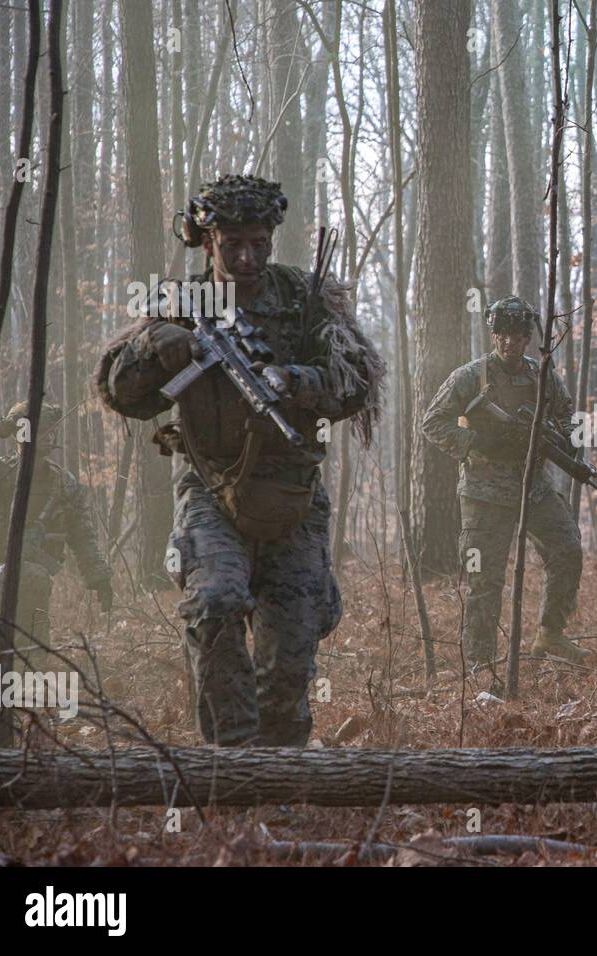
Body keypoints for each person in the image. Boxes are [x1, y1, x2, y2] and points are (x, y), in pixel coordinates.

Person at [94, 174, 384, 747]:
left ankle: (279, 771)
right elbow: (121, 394)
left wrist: (295, 381)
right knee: (217, 600)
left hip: (291, 491)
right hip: (210, 487)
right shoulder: (178, 303)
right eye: (233, 246)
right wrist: (157, 349)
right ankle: (231, 760)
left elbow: (357, 385)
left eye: (259, 243)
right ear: (209, 243)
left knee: (294, 645)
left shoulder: (305, 298)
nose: (247, 258)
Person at [421, 296, 588, 672]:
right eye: (501, 335)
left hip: (534, 487)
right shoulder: (470, 376)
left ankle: (549, 633)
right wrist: (477, 442)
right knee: (484, 579)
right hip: (484, 494)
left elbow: (567, 416)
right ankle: (479, 664)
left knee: (568, 549)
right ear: (493, 335)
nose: (508, 342)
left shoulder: (540, 375)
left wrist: (565, 441)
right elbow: (433, 422)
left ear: (527, 337)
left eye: (515, 335)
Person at [0, 401, 112, 669]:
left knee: (32, 579)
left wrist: (99, 577)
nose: (46, 437)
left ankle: (28, 662)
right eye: (39, 431)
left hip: (30, 573)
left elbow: (82, 534)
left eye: (49, 431)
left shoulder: (63, 483)